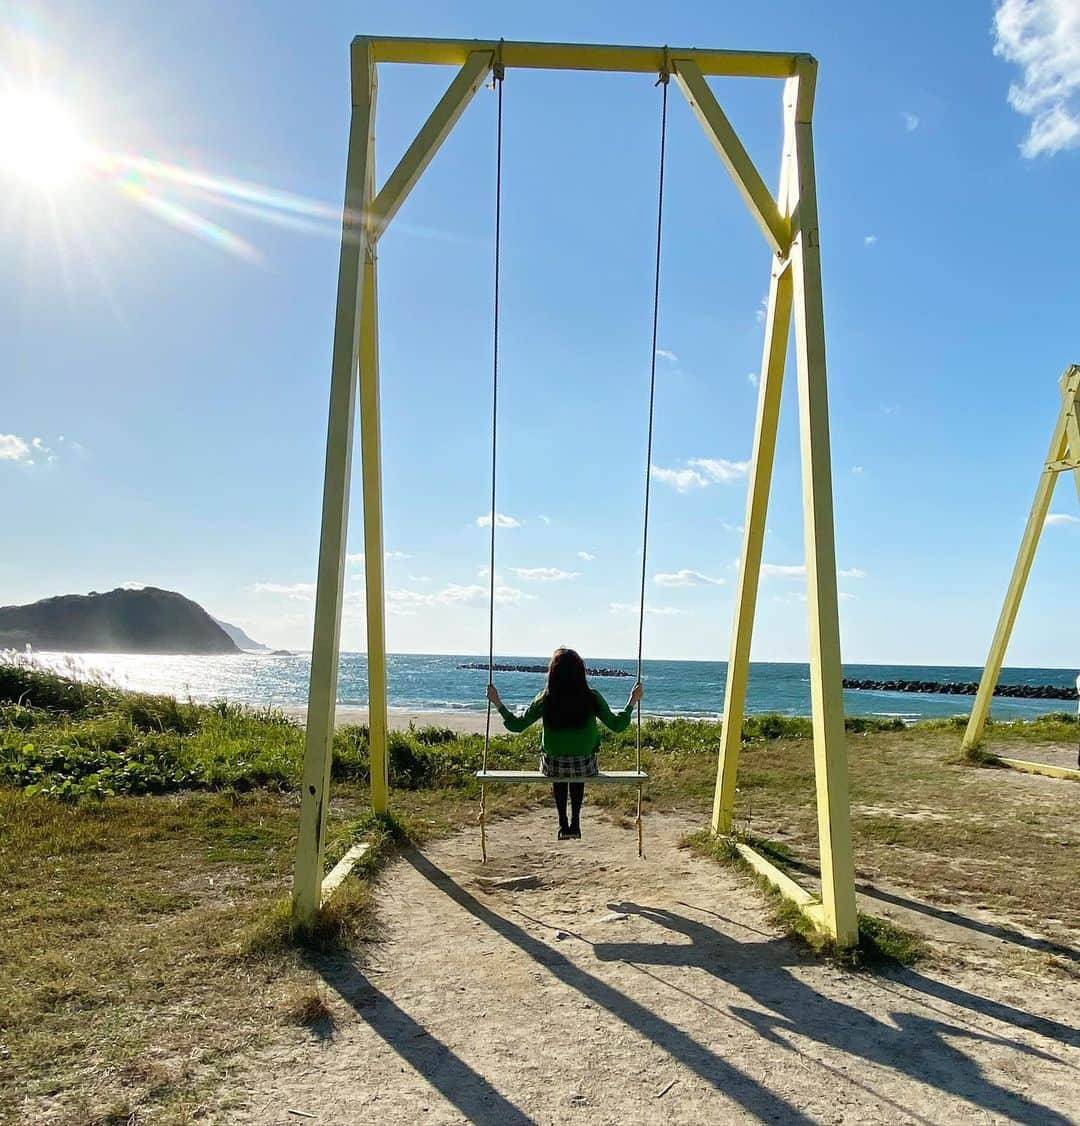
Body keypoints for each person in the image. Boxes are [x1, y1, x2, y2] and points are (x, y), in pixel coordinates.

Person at [486, 647, 644, 841]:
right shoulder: (591, 697)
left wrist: (497, 703)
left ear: (553, 672)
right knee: (578, 769)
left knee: (559, 770)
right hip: (585, 766)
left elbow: (517, 726)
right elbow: (618, 725)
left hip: (552, 766)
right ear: (580, 672)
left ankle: (563, 824)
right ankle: (575, 824)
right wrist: (632, 702)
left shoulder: (545, 698)